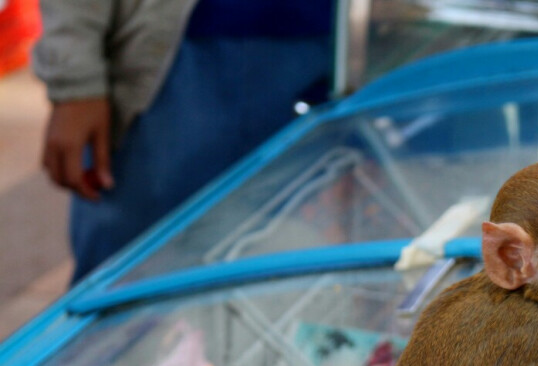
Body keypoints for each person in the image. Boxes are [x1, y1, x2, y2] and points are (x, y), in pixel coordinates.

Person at [34, 1, 334, 283]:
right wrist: (75, 81)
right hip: (166, 65)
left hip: (329, 56)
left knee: (301, 289)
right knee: (129, 291)